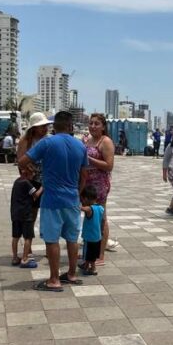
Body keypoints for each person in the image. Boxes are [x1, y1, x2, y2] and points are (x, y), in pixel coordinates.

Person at [18, 110, 88, 292]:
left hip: (52, 200)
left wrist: (31, 168)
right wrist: (77, 192)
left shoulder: (47, 143)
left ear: (54, 126)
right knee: (72, 239)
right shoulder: (80, 145)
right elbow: (84, 176)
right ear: (71, 126)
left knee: (52, 240)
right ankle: (71, 274)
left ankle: (54, 279)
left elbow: (22, 161)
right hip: (72, 199)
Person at [83, 113, 115, 263]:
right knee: (89, 217)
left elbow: (109, 165)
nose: (93, 126)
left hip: (100, 185)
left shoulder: (105, 141)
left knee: (101, 218)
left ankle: (100, 254)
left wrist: (89, 159)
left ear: (103, 127)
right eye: (91, 123)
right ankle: (89, 252)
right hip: (86, 184)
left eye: (96, 124)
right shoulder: (87, 140)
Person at [10, 164, 40, 268]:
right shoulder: (27, 183)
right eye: (32, 174)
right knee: (28, 237)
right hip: (26, 214)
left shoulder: (17, 181)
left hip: (15, 213)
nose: (33, 176)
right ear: (28, 174)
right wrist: (43, 187)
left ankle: (15, 257)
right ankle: (24, 258)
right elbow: (36, 195)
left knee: (16, 236)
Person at [79, 185, 105, 276]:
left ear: (86, 199)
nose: (82, 202)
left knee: (88, 254)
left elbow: (81, 208)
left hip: (89, 237)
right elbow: (103, 220)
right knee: (92, 254)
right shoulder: (101, 208)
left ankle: (92, 269)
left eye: (82, 200)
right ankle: (86, 265)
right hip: (97, 237)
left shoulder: (90, 209)